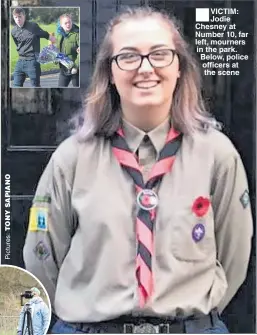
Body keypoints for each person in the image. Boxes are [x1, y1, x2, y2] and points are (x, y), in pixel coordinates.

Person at [23, 5, 253, 334]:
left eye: (160, 54)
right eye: (128, 57)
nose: (146, 68)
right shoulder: (72, 159)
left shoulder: (217, 155)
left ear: (179, 68)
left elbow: (235, 257)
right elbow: (42, 261)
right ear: (110, 73)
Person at [11, 7, 56, 87]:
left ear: (24, 16)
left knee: (35, 87)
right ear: (13, 18)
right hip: (20, 61)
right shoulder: (13, 31)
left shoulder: (33, 26)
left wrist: (52, 47)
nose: (18, 19)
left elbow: (48, 36)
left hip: (33, 61)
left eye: (20, 16)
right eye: (16, 17)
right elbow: (18, 45)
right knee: (15, 86)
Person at [55, 13, 79, 87]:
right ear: (61, 25)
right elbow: (58, 49)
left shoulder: (77, 34)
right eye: (66, 23)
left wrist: (75, 66)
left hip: (76, 70)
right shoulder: (59, 34)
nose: (68, 24)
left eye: (69, 22)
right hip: (64, 68)